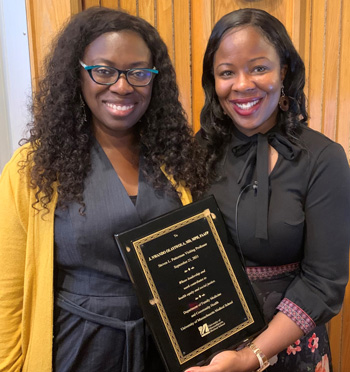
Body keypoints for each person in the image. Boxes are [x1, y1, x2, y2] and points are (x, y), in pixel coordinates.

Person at [0, 7, 207, 372]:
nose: (122, 86)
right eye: (104, 70)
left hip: (166, 348)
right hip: (78, 348)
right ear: (77, 75)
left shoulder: (177, 159)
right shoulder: (33, 167)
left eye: (138, 72)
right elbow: (8, 291)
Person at [190, 8, 350, 372]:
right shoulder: (195, 152)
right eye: (226, 72)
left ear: (285, 72)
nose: (243, 84)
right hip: (209, 353)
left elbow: (324, 283)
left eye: (259, 67)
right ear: (213, 83)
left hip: (288, 352)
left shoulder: (323, 159)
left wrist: (251, 357)